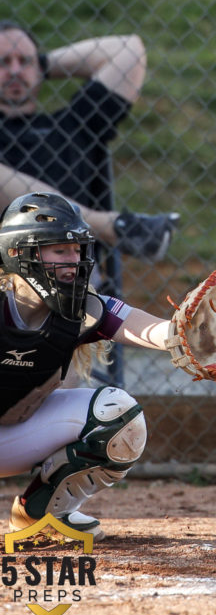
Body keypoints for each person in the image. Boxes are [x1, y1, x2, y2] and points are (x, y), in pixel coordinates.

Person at [0, 192, 177, 541]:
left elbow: (146, 328)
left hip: (12, 436)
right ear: (19, 253)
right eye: (59, 250)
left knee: (118, 415)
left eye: (77, 249)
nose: (73, 260)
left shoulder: (81, 309)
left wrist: (186, 334)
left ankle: (41, 512)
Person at [0, 21, 178, 261]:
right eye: (3, 62)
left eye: (24, 61)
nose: (14, 70)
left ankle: (102, 226)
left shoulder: (73, 124)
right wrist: (27, 63)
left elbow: (128, 50)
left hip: (73, 268)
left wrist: (42, 64)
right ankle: (107, 226)